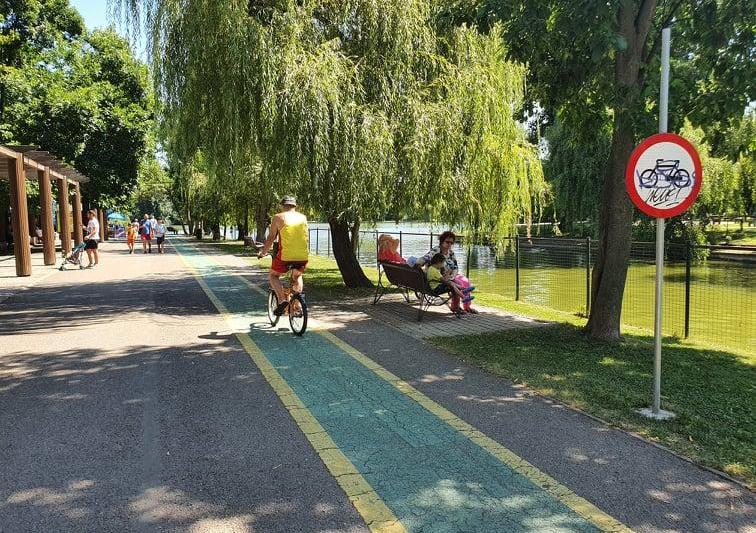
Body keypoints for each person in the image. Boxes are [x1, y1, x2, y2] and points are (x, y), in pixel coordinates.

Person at [257, 195, 308, 316]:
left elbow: (271, 238)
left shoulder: (278, 217)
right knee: (297, 276)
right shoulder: (303, 217)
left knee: (273, 276)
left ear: (282, 206)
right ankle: (297, 303)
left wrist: (263, 252)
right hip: (303, 255)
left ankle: (282, 300)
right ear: (295, 206)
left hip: (286, 255)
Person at [416, 231, 477, 314]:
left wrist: (451, 276)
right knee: (458, 283)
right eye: (447, 242)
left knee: (465, 281)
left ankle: (467, 307)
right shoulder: (436, 250)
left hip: (450, 275)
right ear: (442, 241)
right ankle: (455, 307)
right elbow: (424, 259)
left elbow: (455, 267)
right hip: (439, 278)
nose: (449, 244)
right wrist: (418, 263)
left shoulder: (451, 253)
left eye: (451, 243)